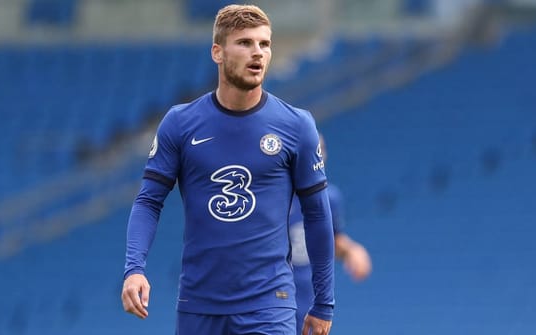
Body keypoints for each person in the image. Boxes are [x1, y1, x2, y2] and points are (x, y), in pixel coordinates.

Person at [121, 4, 335, 335]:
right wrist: (134, 269)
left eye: (265, 44)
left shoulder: (296, 125)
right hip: (199, 305)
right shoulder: (181, 123)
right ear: (217, 52)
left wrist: (324, 303)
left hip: (269, 305)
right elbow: (149, 200)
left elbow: (318, 215)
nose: (258, 53)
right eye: (245, 43)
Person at [289, 134, 372, 334]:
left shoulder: (329, 198)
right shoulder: (273, 196)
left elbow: (330, 240)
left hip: (309, 303)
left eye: (320, 150)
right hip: (272, 301)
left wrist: (352, 250)